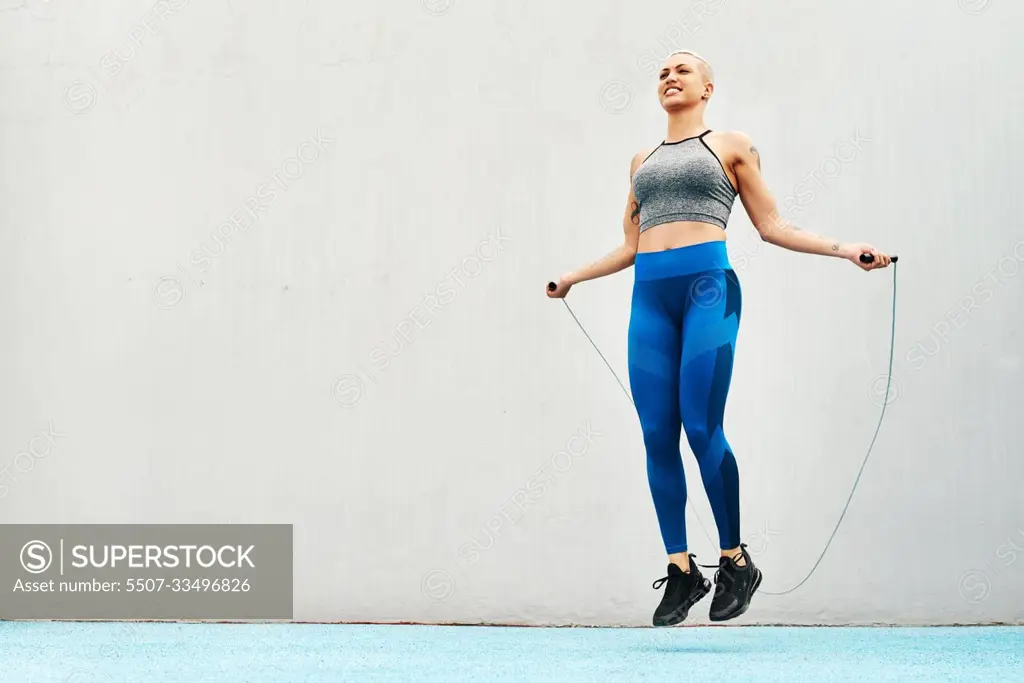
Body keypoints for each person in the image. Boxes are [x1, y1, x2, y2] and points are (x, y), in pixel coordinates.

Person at [545, 50, 892, 626]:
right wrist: (573, 277)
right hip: (650, 298)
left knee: (702, 424)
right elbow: (630, 245)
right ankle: (682, 572)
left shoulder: (731, 145)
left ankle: (735, 559)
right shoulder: (641, 161)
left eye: (682, 71)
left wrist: (845, 249)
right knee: (658, 431)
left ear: (707, 87)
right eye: (661, 73)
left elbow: (773, 225)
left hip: (708, 288)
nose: (669, 78)